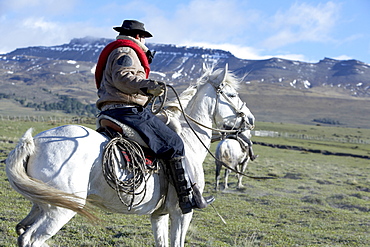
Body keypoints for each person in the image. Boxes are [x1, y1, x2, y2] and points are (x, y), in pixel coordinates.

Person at [95, 20, 214, 214]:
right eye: (143, 37)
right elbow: (122, 77)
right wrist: (147, 85)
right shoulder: (126, 51)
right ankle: (185, 198)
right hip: (126, 110)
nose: (144, 41)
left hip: (112, 109)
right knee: (174, 142)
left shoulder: (120, 50)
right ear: (138, 36)